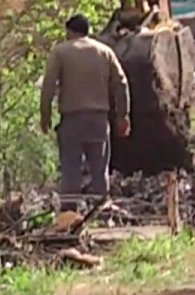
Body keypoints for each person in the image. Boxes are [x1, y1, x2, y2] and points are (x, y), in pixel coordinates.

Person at [39, 14, 131, 210]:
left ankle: (69, 215)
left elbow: (48, 86)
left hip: (72, 120)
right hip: (99, 120)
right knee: (99, 171)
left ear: (70, 32)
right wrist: (123, 115)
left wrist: (45, 115)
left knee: (70, 170)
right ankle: (102, 212)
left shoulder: (61, 52)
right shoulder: (105, 52)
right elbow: (121, 83)